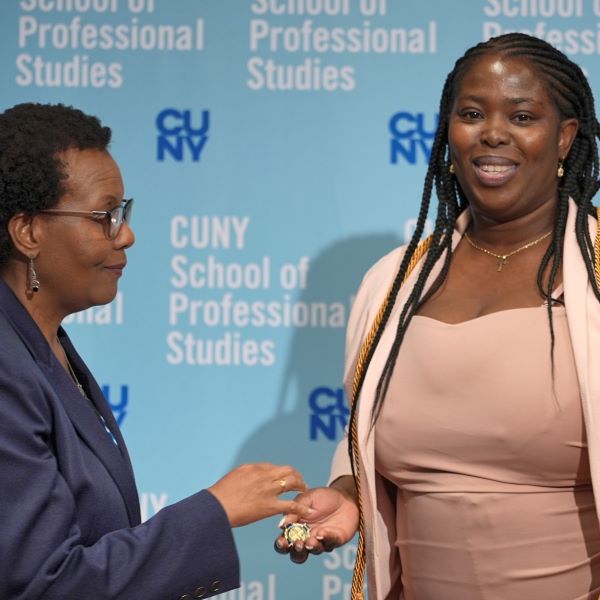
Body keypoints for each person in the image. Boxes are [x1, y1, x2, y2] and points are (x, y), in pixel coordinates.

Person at [275, 32, 600, 599]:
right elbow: (364, 448)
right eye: (472, 113)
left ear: (566, 137)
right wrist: (347, 497)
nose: (493, 132)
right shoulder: (392, 283)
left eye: (522, 115)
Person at [0, 102, 310, 600]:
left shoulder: (45, 343)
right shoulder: (7, 368)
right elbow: (42, 584)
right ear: (28, 232)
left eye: (123, 213)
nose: (126, 234)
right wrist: (214, 510)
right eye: (105, 216)